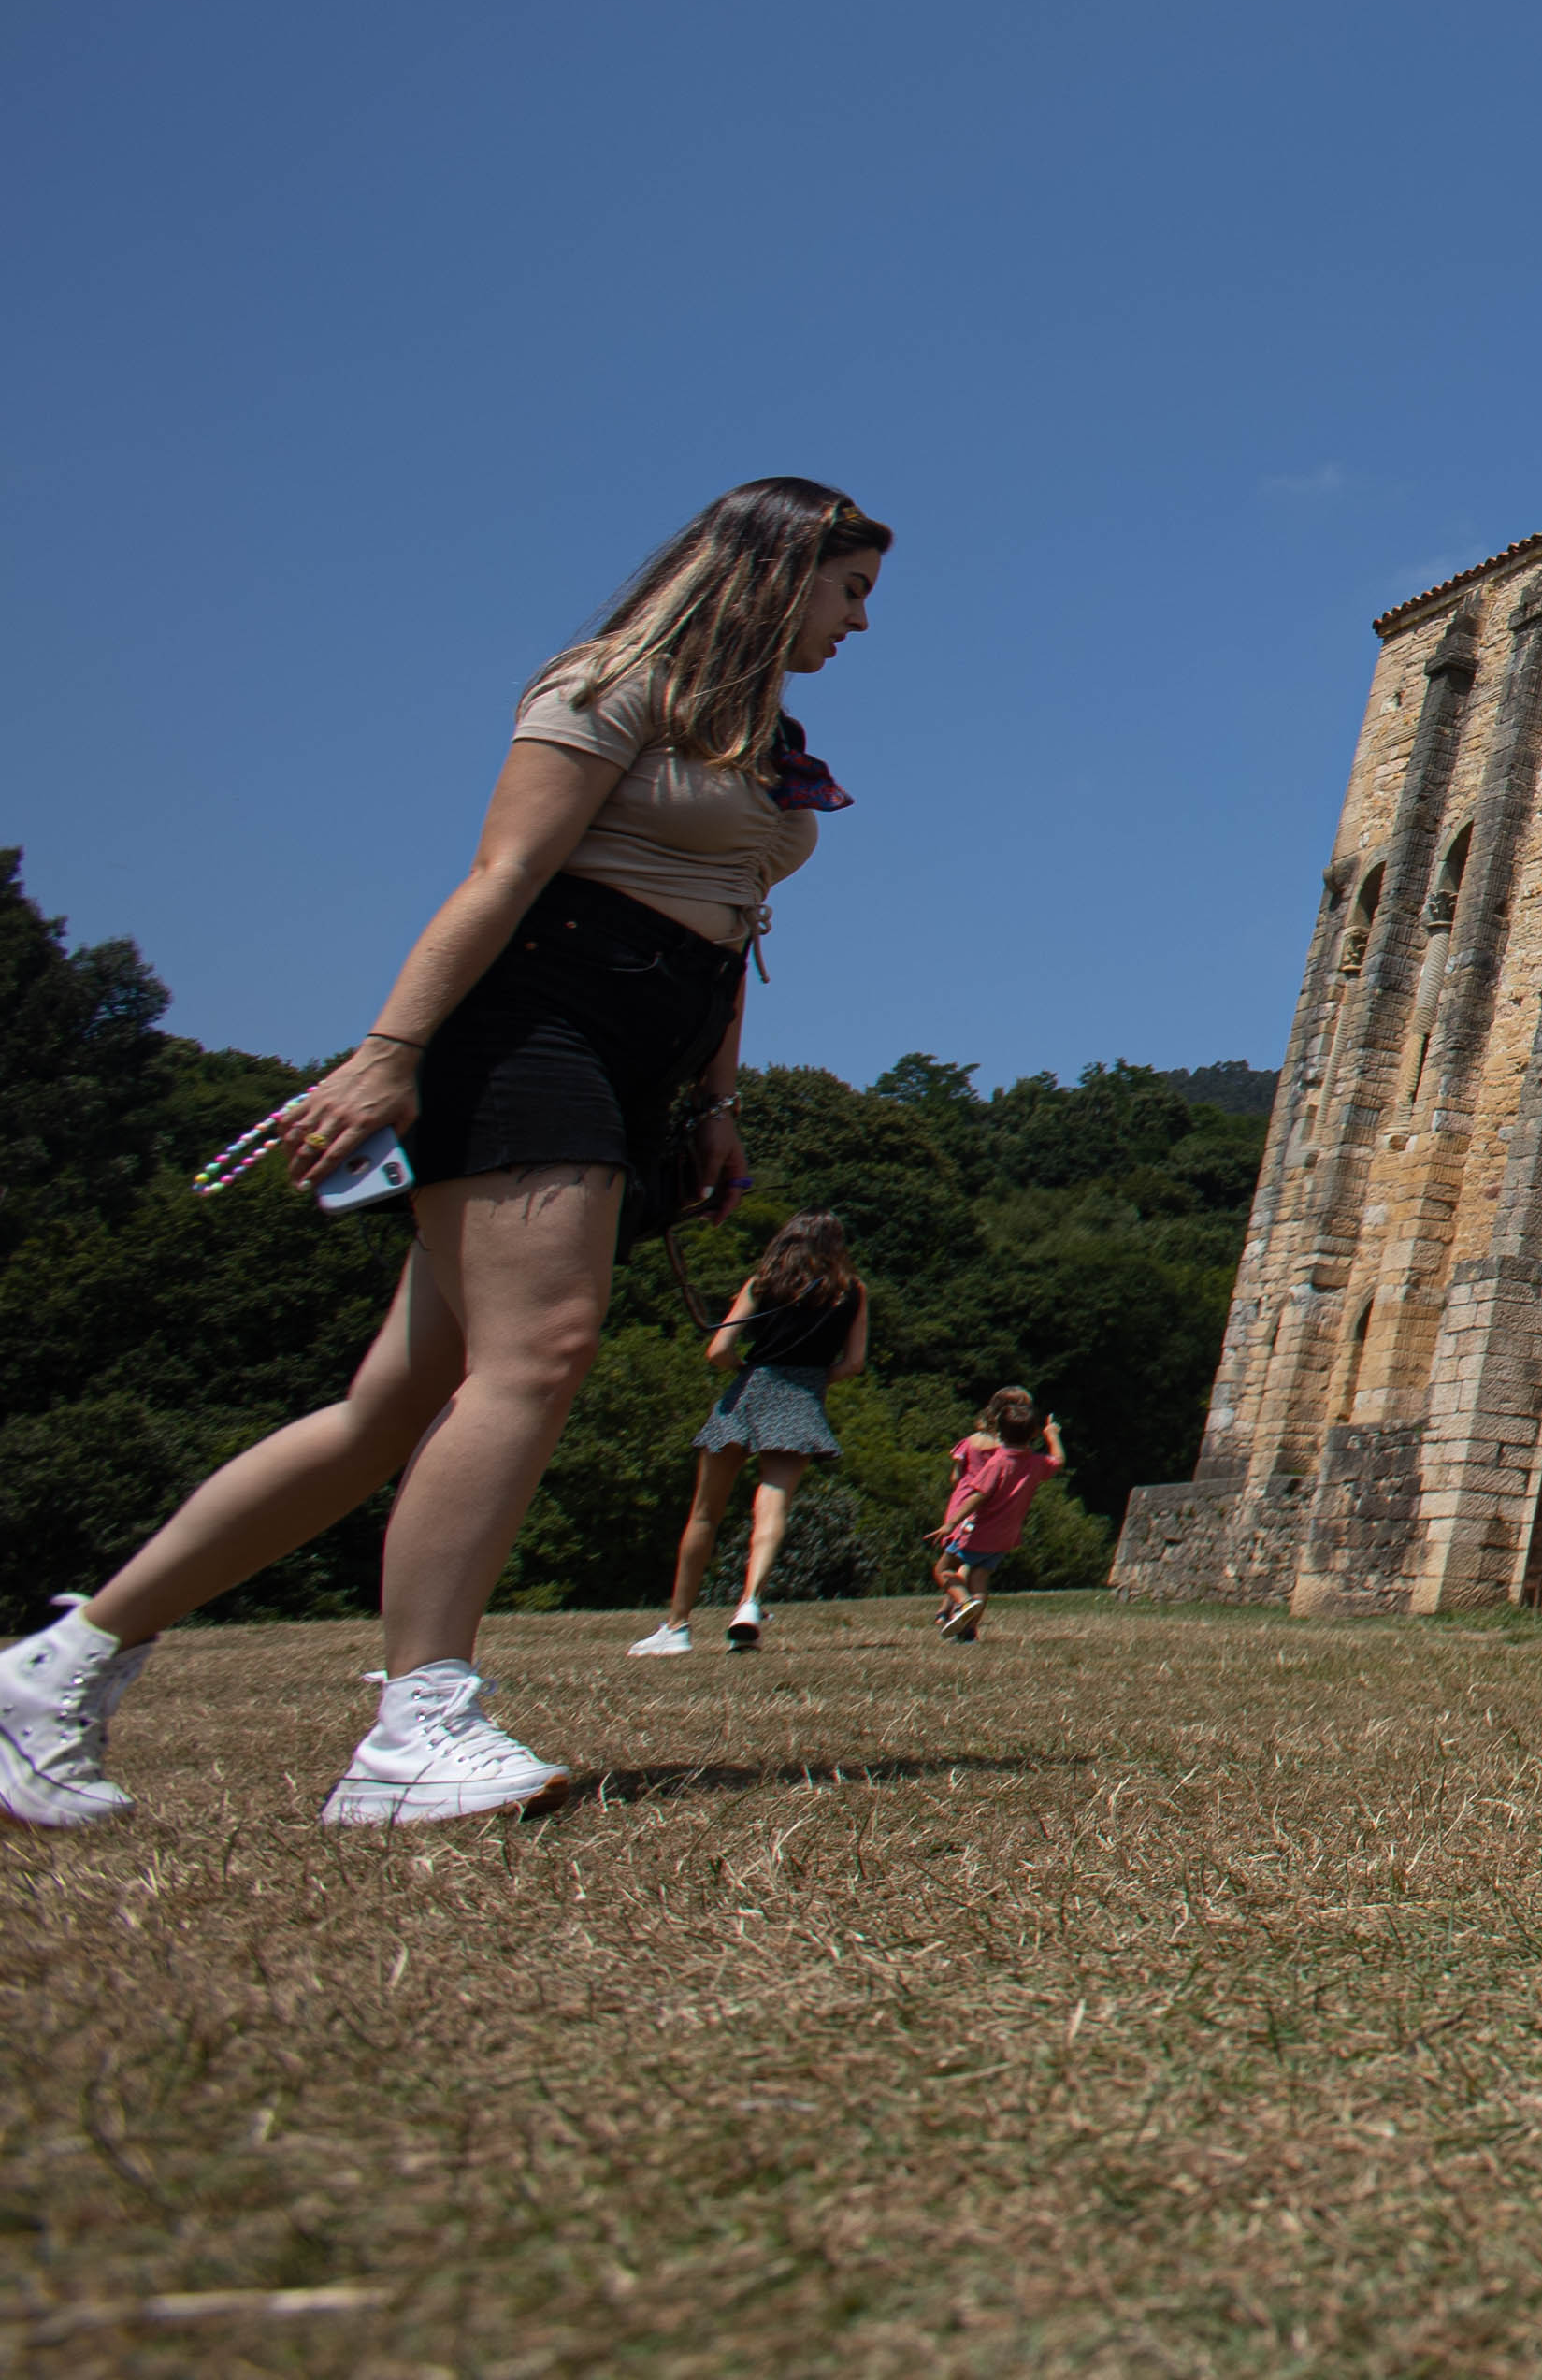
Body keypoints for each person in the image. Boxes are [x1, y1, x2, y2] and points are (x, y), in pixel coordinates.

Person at [0, 480, 886, 1828]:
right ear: (771, 576)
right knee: (539, 1350)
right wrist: (389, 1053)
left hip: (643, 1055)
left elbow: (736, 922)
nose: (860, 622)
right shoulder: (608, 689)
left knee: (386, 1413)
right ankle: (418, 1719)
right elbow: (502, 874)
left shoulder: (768, 742)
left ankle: (57, 1668)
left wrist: (714, 1104)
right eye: (849, 590)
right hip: (536, 1026)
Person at [630, 1214, 874, 1655]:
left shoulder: (762, 1283)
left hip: (747, 1392)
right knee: (773, 1503)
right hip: (801, 1398)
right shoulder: (852, 1292)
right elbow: (854, 1363)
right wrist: (815, 1380)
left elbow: (718, 1349)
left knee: (705, 1513)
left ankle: (677, 1626)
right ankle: (750, 1602)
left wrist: (746, 1370)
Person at [930, 1389, 1067, 1642]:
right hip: (1005, 1538)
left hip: (977, 1533)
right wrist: (1052, 1435)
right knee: (980, 1577)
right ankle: (969, 1631)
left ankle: (962, 1603)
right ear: (1034, 1434)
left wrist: (950, 1523)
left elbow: (978, 1496)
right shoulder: (1036, 1463)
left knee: (943, 1570)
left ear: (1000, 1433)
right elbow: (1058, 1460)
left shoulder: (998, 1462)